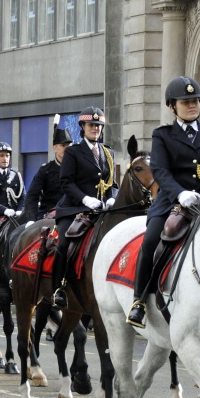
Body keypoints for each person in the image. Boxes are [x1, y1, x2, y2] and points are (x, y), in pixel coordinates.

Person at [126, 76, 200, 325]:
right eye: (186, 102)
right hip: (172, 202)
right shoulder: (163, 136)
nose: (192, 105)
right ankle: (139, 300)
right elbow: (160, 170)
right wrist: (180, 193)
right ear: (172, 106)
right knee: (150, 241)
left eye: (196, 101)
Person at [49, 106, 118, 309]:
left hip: (102, 209)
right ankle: (58, 289)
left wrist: (112, 198)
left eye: (98, 125)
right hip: (74, 209)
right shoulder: (73, 152)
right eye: (91, 125)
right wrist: (86, 199)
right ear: (83, 127)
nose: (95, 128)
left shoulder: (109, 152)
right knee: (63, 244)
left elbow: (113, 184)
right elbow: (66, 182)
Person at [26, 119, 73, 220]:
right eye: (63, 145)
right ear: (54, 148)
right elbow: (32, 196)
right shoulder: (45, 170)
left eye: (69, 145)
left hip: (71, 213)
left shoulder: (77, 168)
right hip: (48, 215)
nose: (66, 148)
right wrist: (31, 220)